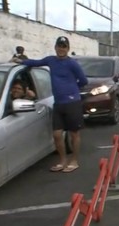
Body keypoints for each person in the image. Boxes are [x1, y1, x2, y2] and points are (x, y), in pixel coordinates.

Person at [12, 36, 88, 173]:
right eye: (59, 46)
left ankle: (74, 161)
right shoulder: (51, 60)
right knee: (57, 135)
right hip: (58, 103)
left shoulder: (72, 64)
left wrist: (72, 89)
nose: (61, 49)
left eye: (64, 46)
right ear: (55, 47)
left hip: (72, 102)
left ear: (68, 49)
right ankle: (63, 161)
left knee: (74, 134)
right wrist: (20, 61)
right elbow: (35, 62)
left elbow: (83, 81)